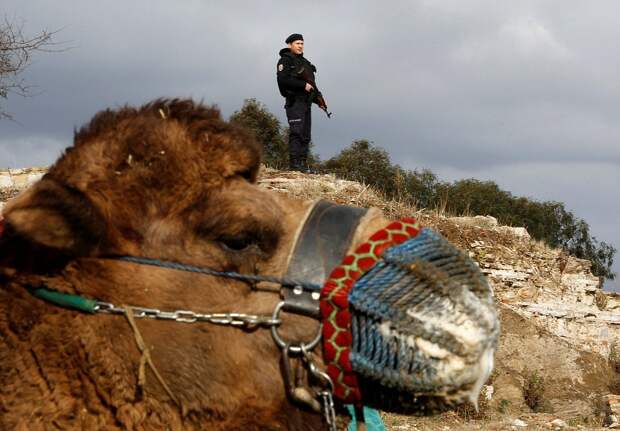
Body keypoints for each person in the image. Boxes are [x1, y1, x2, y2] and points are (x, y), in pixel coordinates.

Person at [276, 33, 317, 172]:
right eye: (297, 43)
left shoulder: (304, 62)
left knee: (306, 135)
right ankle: (295, 165)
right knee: (297, 132)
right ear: (290, 45)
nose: (300, 46)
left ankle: (303, 165)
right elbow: (283, 80)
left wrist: (319, 98)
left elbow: (311, 83)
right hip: (294, 102)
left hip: (306, 103)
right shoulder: (285, 60)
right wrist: (302, 85)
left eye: (302, 43)